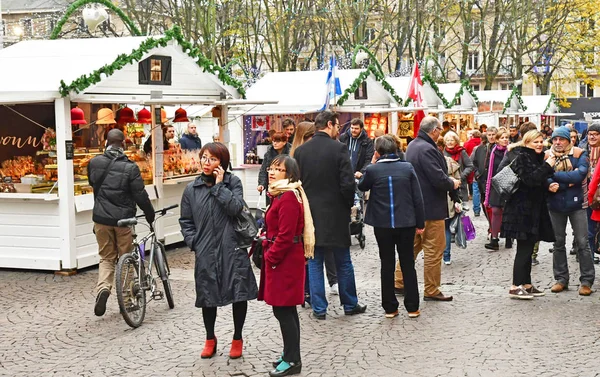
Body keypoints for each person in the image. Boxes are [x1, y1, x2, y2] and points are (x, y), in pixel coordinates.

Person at [179, 143, 258, 359]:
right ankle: (210, 338)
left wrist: (219, 186)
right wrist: (193, 241)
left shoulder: (233, 183)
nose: (206, 162)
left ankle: (237, 337)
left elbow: (235, 209)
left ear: (222, 162)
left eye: (212, 159)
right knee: (207, 295)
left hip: (232, 247)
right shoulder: (192, 189)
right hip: (205, 249)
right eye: (204, 157)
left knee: (238, 293)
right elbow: (186, 220)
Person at [294, 110, 367, 319]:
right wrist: (346, 206)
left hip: (311, 215)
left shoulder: (301, 152)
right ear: (329, 125)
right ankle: (349, 303)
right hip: (335, 214)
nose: (338, 129)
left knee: (315, 261)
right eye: (336, 125)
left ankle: (319, 308)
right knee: (343, 261)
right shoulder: (339, 149)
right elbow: (347, 183)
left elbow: (298, 185)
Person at [88, 129, 155, 317]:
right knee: (126, 258)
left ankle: (103, 289)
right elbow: (140, 195)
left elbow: (94, 186)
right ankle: (126, 300)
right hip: (122, 220)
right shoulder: (130, 167)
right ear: (123, 144)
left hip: (101, 219)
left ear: (106, 142)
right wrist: (149, 214)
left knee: (106, 257)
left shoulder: (94, 163)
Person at [394, 116, 460, 301]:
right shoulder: (427, 149)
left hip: (416, 207)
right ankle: (431, 289)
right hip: (430, 207)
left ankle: (398, 282)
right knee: (434, 248)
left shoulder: (414, 145)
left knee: (412, 248)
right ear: (434, 131)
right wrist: (452, 183)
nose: (441, 132)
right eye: (440, 129)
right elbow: (438, 178)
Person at [259, 155, 314, 377]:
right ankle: (290, 355)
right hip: (283, 259)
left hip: (285, 261)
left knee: (284, 311)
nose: (272, 172)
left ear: (289, 174)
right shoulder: (281, 194)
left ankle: (293, 360)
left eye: (278, 169)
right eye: (271, 168)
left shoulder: (289, 197)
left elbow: (286, 234)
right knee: (285, 310)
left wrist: (271, 256)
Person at [358, 135, 424, 318]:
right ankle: (412, 306)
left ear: (378, 152)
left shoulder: (373, 170)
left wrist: (371, 164)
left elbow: (362, 186)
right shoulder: (407, 168)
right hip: (406, 222)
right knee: (408, 263)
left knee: (386, 263)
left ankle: (390, 307)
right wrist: (420, 222)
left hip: (382, 224)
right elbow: (417, 197)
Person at [501, 130, 556, 299]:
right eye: (535, 142)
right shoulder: (523, 157)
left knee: (529, 246)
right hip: (521, 211)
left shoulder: (535, 157)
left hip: (532, 210)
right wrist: (547, 166)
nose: (539, 144)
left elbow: (538, 180)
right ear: (526, 143)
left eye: (541, 141)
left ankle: (526, 284)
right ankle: (515, 286)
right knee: (524, 249)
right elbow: (530, 180)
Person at [289, 121, 338, 297]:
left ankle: (310, 290)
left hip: (307, 206)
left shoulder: (297, 154)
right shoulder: (300, 154)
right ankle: (310, 290)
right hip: (309, 208)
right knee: (313, 252)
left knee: (313, 251)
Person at [545, 126, 594, 296]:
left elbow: (579, 175)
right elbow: (544, 176)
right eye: (555, 139)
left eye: (562, 139)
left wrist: (556, 177)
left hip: (577, 204)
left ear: (569, 140)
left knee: (582, 243)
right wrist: (556, 180)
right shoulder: (547, 155)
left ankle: (587, 281)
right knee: (558, 243)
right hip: (555, 205)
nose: (558, 142)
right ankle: (561, 279)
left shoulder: (579, 154)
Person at [483, 127, 511, 250]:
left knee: (507, 211)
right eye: (502, 138)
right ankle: (494, 239)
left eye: (507, 137)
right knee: (495, 211)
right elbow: (490, 170)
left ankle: (509, 236)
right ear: (497, 140)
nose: (505, 140)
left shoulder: (511, 151)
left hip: (508, 184)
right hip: (495, 184)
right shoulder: (493, 152)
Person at [439, 137, 463, 265]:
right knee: (446, 228)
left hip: (437, 199)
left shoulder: (429, 161)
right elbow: (458, 181)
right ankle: (446, 256)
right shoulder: (450, 162)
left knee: (439, 228)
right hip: (448, 198)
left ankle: (437, 254)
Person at [578, 122, 600, 265]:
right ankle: (589, 263)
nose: (592, 137)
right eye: (590, 134)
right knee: (589, 232)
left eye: (596, 134)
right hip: (586, 195)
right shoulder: (582, 150)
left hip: (597, 194)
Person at [472, 126, 498, 231]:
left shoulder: (499, 148)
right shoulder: (480, 149)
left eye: (493, 135)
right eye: (489, 135)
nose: (491, 137)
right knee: (485, 205)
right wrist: (478, 173)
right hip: (483, 182)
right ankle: (491, 226)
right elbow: (474, 163)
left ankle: (494, 229)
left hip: (496, 183)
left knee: (496, 208)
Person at [258, 132, 292, 205]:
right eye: (273, 141)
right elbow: (263, 170)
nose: (275, 143)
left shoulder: (291, 152)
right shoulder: (268, 153)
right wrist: (261, 184)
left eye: (278, 141)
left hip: (286, 185)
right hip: (272, 185)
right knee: (271, 207)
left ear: (284, 142)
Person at [443, 131, 473, 202]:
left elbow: (470, 166)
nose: (450, 142)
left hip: (461, 186)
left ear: (456, 141)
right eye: (448, 140)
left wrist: (461, 176)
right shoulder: (442, 152)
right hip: (447, 185)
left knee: (462, 209)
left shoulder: (462, 152)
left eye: (452, 140)